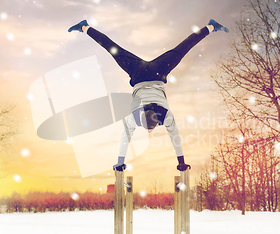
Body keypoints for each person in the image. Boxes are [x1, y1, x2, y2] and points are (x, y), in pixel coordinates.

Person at [68, 19, 229, 172]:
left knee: (180, 50)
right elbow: (126, 136)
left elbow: (175, 136)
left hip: (158, 71)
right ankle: (85, 27)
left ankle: (210, 27)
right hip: (138, 72)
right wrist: (120, 161)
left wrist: (181, 162)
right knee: (114, 50)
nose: (149, 132)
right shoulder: (136, 116)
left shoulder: (165, 116)